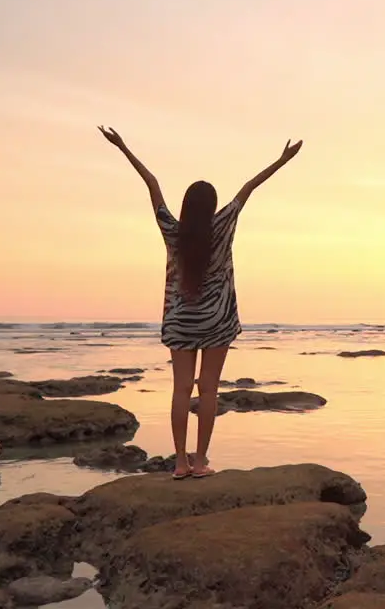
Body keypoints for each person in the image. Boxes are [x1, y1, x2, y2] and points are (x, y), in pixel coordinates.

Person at [99, 126, 303, 479]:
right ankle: (201, 461)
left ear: (186, 207)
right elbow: (248, 188)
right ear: (212, 207)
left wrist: (123, 146)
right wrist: (282, 160)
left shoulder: (171, 230)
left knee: (181, 390)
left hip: (181, 319)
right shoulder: (223, 223)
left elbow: (152, 183)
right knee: (208, 389)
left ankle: (179, 463)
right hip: (217, 319)